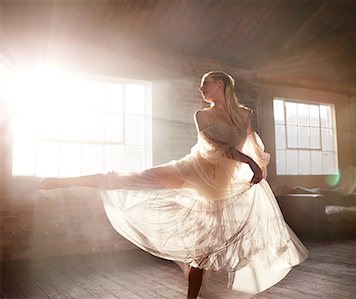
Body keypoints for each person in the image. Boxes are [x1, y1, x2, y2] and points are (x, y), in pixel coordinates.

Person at [40, 71, 308, 298]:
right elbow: (217, 147)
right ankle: (65, 181)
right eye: (201, 84)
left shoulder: (244, 114)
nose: (200, 87)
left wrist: (259, 169)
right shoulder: (202, 115)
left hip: (221, 187)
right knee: (132, 178)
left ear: (221, 85)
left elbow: (253, 145)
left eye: (206, 83)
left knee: (204, 250)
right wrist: (249, 163)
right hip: (193, 171)